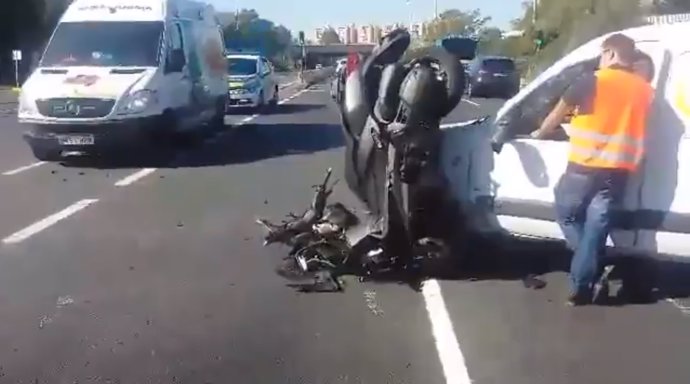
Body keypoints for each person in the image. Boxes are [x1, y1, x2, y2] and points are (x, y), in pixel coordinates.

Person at [529, 33, 655, 306]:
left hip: (584, 167)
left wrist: (538, 134)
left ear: (610, 53)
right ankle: (583, 282)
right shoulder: (645, 89)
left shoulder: (593, 80)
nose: (600, 60)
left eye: (601, 54)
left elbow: (555, 117)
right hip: (619, 170)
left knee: (567, 215)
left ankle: (591, 273)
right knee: (597, 226)